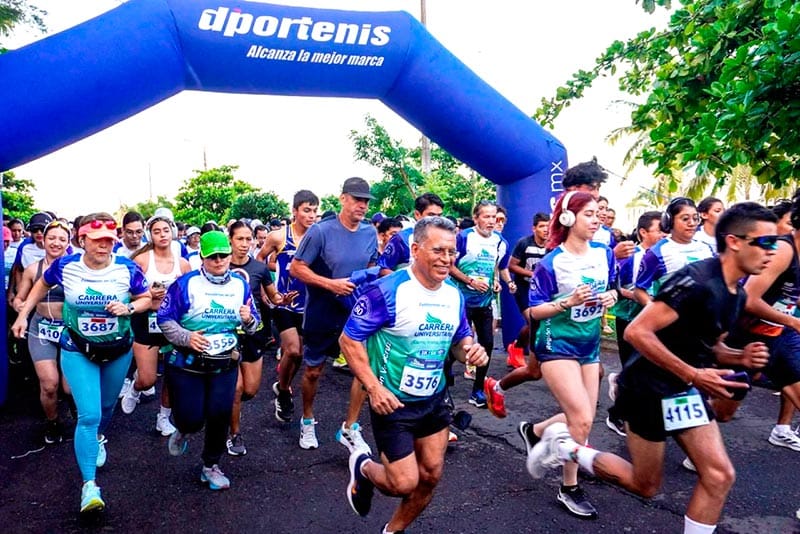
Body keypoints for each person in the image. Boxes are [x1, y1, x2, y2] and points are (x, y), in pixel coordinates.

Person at [525, 202, 777, 534]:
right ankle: (565, 447)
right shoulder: (696, 280)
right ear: (734, 241)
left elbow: (710, 347)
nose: (773, 252)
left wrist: (739, 357)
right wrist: (694, 374)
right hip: (647, 390)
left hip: (682, 392)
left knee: (719, 475)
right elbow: (637, 331)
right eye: (766, 243)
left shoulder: (737, 294)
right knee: (645, 485)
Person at [339, 216, 489, 532]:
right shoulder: (387, 291)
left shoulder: (454, 294)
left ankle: (393, 530)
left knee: (431, 474)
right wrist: (373, 387)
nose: (447, 259)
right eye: (438, 251)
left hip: (434, 399)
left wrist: (470, 350)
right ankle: (363, 467)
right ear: (415, 249)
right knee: (403, 482)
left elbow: (460, 341)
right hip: (393, 403)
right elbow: (349, 340)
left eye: (451, 252)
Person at [12, 212, 151, 515]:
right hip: (77, 347)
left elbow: (145, 298)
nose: (105, 246)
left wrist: (128, 307)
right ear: (83, 240)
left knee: (106, 408)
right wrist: (23, 315)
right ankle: (89, 485)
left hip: (117, 348)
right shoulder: (66, 265)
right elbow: (41, 285)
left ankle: (99, 437)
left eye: (110, 241)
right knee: (88, 415)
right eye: (98, 240)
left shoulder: (126, 267)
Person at [516, 191, 616, 519]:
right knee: (582, 418)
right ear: (569, 218)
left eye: (598, 213)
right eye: (589, 213)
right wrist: (568, 302)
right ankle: (569, 487)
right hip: (555, 343)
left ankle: (536, 431)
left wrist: (610, 297)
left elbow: (612, 286)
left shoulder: (604, 252)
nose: (597, 218)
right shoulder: (552, 262)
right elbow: (533, 311)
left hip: (589, 343)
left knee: (584, 418)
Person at [157, 230, 260, 490]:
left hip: (224, 363)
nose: (219, 261)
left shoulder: (240, 284)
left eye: (223, 255)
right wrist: (186, 337)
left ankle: (210, 465)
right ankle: (183, 428)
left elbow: (254, 325)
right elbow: (164, 319)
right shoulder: (186, 283)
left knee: (219, 414)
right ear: (202, 257)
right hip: (187, 363)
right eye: (212, 256)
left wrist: (248, 320)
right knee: (191, 418)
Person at [290, 177, 378, 450]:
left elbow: (373, 264)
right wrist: (331, 285)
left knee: (364, 371)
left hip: (354, 312)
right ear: (342, 199)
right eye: (356, 199)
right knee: (314, 371)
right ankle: (307, 419)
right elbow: (297, 268)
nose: (361, 206)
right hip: (322, 310)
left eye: (365, 201)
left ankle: (350, 427)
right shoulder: (321, 231)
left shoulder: (369, 233)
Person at [121, 213, 191, 436]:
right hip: (145, 321)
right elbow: (126, 295)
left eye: (166, 230)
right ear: (150, 235)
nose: (162, 235)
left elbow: (190, 295)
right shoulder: (141, 260)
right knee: (148, 378)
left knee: (173, 375)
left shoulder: (183, 264)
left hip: (172, 322)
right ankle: (135, 386)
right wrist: (148, 295)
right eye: (157, 231)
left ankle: (163, 416)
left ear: (172, 232)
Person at [225, 221, 289, 456]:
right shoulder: (220, 264)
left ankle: (231, 411)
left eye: (247, 239)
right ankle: (234, 433)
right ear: (230, 239)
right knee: (237, 389)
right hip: (228, 334)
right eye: (239, 239)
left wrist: (284, 299)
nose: (244, 244)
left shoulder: (259, 268)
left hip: (254, 332)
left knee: (250, 390)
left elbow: (273, 296)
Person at [11, 220, 73, 444]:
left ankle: (79, 416)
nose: (56, 243)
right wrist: (19, 307)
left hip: (69, 330)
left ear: (68, 242)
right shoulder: (32, 269)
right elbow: (20, 297)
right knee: (49, 384)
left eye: (62, 239)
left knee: (69, 386)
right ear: (43, 240)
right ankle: (53, 422)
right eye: (52, 238)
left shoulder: (75, 269)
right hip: (41, 329)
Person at [260, 190, 319, 423]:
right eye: (306, 210)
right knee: (292, 349)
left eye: (315, 211)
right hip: (283, 302)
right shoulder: (278, 236)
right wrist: (266, 290)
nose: (311, 215)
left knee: (299, 356)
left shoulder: (319, 236)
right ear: (294, 211)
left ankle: (281, 386)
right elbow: (260, 261)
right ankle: (283, 392)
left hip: (309, 305)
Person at [484, 212, 549, 418]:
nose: (545, 230)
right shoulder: (524, 243)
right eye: (541, 227)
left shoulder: (554, 245)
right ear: (534, 228)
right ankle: (525, 353)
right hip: (525, 289)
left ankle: (517, 347)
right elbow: (511, 265)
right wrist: (531, 274)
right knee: (533, 320)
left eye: (548, 226)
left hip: (543, 292)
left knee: (534, 324)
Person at [449, 200, 513, 407]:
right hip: (460, 301)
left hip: (484, 302)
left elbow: (498, 268)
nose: (491, 221)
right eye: (486, 216)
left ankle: (477, 390)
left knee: (487, 344)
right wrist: (470, 281)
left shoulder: (501, 242)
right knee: (452, 345)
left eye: (494, 217)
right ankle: (442, 381)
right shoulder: (464, 238)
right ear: (476, 218)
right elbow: (449, 266)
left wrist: (499, 282)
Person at [606, 211, 664, 436]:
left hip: (654, 321)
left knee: (648, 369)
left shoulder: (664, 254)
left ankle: (625, 388)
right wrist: (645, 299)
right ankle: (617, 415)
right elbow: (619, 289)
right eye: (658, 229)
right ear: (643, 232)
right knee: (635, 370)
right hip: (629, 319)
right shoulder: (631, 256)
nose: (663, 233)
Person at [633, 197, 715, 308]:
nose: (692, 223)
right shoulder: (657, 252)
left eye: (695, 219)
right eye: (685, 219)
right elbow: (639, 291)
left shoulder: (706, 249)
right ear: (669, 221)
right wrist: (655, 312)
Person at [562, 159, 635, 260]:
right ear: (572, 189)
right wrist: (613, 255)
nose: (596, 195)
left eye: (598, 189)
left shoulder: (605, 232)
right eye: (591, 188)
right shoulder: (557, 227)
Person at [377, 193, 445, 276]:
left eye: (439, 215)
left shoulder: (445, 239)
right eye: (431, 215)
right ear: (417, 214)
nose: (436, 220)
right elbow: (383, 269)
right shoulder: (402, 239)